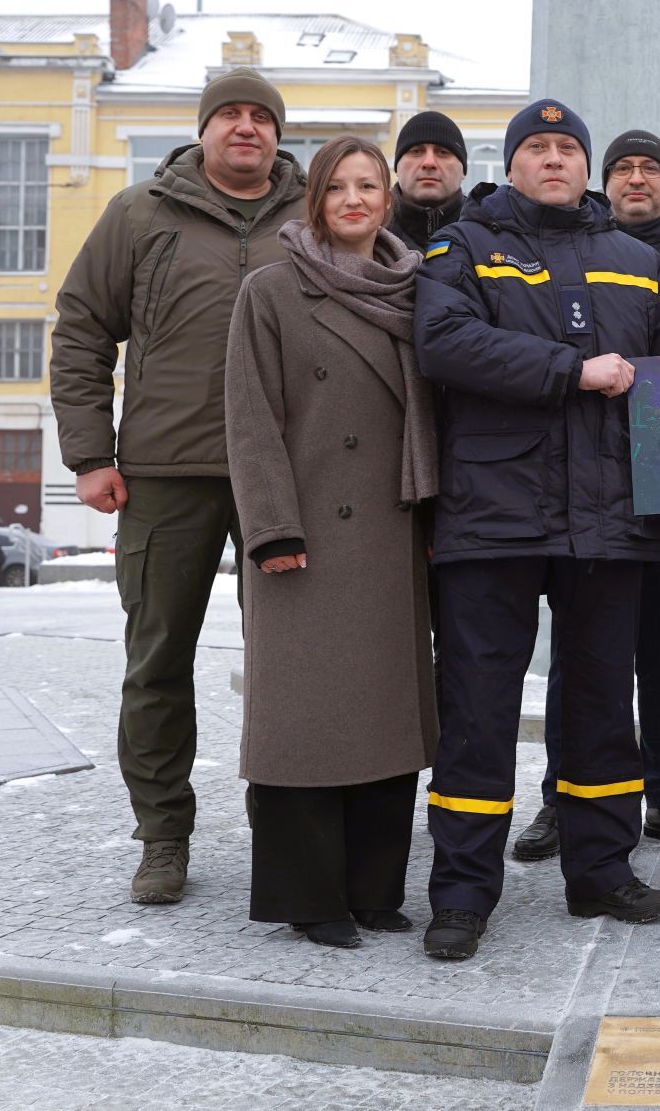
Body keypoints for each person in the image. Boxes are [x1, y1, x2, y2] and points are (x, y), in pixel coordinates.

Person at [413, 99, 660, 961]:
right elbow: (446, 343)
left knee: (603, 706)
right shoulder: (461, 246)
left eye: (568, 147)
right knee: (477, 712)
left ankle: (600, 871)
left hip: (607, 525)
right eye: (537, 147)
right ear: (514, 163)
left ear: (587, 166)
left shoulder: (635, 261)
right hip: (492, 517)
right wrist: (571, 370)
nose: (555, 159)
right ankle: (462, 892)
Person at [52, 68, 304, 905]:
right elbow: (83, 328)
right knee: (158, 664)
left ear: (277, 133)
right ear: (203, 130)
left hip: (285, 478)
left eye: (260, 117)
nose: (245, 128)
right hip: (164, 477)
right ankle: (164, 837)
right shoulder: (139, 214)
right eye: (229, 115)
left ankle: (289, 828)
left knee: (290, 662)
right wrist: (91, 456)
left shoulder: (310, 217)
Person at [223, 136, 437, 949]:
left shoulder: (417, 289)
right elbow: (250, 421)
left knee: (384, 717)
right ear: (314, 200)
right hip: (303, 535)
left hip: (391, 528)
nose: (355, 199)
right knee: (305, 722)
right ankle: (309, 898)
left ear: (389, 198)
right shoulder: (271, 291)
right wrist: (271, 528)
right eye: (338, 187)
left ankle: (374, 890)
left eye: (369, 186)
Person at [515, 129, 660, 864]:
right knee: (581, 655)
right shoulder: (572, 253)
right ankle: (562, 798)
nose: (636, 179)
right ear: (603, 181)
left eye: (650, 168)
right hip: (586, 494)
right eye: (623, 167)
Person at [389, 111, 468, 253]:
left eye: (443, 152)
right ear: (397, 168)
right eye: (416, 151)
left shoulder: (490, 232)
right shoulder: (369, 231)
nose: (429, 163)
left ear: (463, 170)